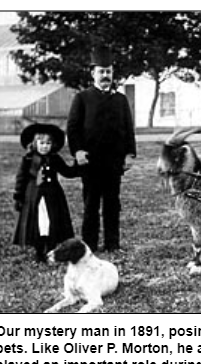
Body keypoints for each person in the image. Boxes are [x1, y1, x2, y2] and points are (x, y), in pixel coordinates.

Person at [67, 45, 136, 252]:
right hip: (90, 162)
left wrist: (130, 153)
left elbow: (128, 128)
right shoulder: (82, 98)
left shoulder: (120, 99)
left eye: (108, 71)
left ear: (112, 73)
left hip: (114, 163)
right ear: (93, 73)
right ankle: (89, 245)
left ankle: (112, 244)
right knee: (90, 205)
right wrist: (77, 151)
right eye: (101, 71)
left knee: (112, 205)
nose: (105, 75)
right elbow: (72, 127)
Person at [13, 123, 81, 262]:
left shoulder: (55, 159)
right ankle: (39, 252)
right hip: (34, 196)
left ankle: (50, 250)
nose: (45, 146)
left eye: (48, 143)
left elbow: (67, 172)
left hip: (52, 196)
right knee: (39, 223)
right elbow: (21, 179)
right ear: (35, 143)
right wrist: (18, 197)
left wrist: (78, 164)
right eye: (41, 143)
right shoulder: (28, 159)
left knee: (51, 222)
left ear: (53, 145)